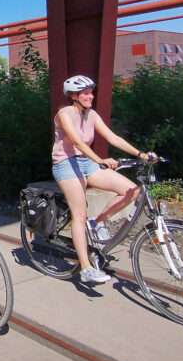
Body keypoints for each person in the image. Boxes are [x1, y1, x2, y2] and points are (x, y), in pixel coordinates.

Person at [52, 75, 155, 285]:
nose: (91, 96)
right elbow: (78, 142)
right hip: (66, 165)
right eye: (86, 93)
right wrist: (100, 160)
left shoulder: (91, 115)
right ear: (74, 96)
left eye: (91, 92)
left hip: (87, 163)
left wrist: (141, 154)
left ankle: (98, 221)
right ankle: (86, 268)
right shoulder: (64, 114)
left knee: (132, 190)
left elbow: (112, 137)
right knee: (78, 214)